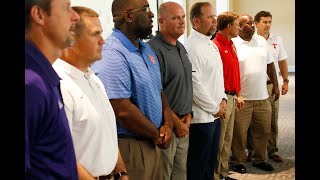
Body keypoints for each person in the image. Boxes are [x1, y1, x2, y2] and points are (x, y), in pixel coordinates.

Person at [90, 0, 173, 179]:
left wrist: (167, 124)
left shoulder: (146, 49)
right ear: (128, 16)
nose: (152, 15)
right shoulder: (113, 53)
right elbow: (121, 109)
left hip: (154, 143)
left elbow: (159, 92)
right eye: (146, 9)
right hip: (131, 148)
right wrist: (156, 134)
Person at [52, 6, 128, 180]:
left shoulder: (94, 79)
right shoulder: (59, 84)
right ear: (71, 38)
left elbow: (106, 133)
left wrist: (121, 172)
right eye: (95, 34)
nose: (103, 41)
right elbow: (62, 153)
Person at [25, 0, 80, 179]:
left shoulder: (42, 77)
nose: (75, 16)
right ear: (39, 15)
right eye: (66, 8)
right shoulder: (31, 86)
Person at [147, 2, 193, 180]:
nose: (182, 22)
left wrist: (188, 115)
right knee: (164, 175)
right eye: (175, 18)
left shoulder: (180, 47)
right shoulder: (153, 49)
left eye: (182, 17)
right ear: (161, 22)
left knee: (180, 174)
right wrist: (175, 122)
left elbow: (185, 84)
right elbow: (156, 92)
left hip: (184, 124)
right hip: (166, 128)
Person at [231, 14, 279, 173]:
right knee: (239, 133)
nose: (253, 26)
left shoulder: (261, 41)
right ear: (239, 26)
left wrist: (276, 86)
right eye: (249, 23)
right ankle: (237, 161)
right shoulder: (234, 43)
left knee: (263, 130)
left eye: (253, 23)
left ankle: (259, 159)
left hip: (262, 97)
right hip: (242, 98)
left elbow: (270, 65)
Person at [185, 2, 227, 180]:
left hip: (216, 114)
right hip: (202, 118)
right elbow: (195, 84)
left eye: (214, 16)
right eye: (210, 17)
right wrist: (214, 107)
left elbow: (218, 77)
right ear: (196, 21)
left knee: (210, 162)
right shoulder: (192, 47)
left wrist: (223, 99)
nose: (215, 21)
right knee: (198, 166)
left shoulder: (211, 44)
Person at [248, 10, 289, 163]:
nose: (267, 25)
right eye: (264, 22)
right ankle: (251, 150)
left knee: (272, 118)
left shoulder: (276, 39)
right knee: (253, 119)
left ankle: (272, 150)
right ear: (256, 23)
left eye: (269, 22)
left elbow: (282, 61)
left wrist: (285, 81)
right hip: (254, 86)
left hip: (271, 86)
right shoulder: (249, 39)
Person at [212, 11, 244, 180]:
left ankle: (223, 173)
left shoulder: (231, 44)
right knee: (219, 139)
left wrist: (239, 94)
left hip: (232, 97)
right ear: (229, 26)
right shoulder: (215, 45)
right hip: (222, 98)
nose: (240, 28)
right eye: (238, 24)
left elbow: (235, 73)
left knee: (227, 139)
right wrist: (222, 100)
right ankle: (216, 175)